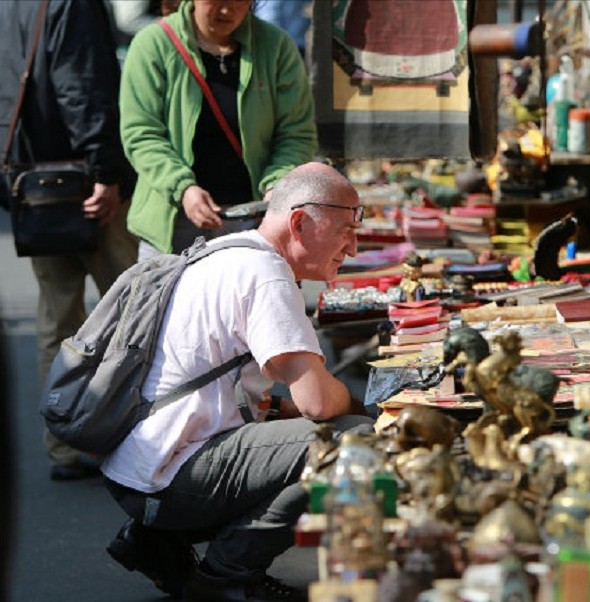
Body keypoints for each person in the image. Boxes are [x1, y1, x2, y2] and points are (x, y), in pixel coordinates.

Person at [103, 162, 372, 602]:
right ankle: (225, 575)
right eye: (346, 229)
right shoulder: (265, 275)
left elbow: (237, 386)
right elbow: (319, 404)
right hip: (166, 478)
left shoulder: (229, 250)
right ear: (300, 222)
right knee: (356, 441)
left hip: (143, 467)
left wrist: (279, 413)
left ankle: (162, 543)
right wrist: (365, 410)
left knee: (322, 434)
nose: (354, 247)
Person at [0, 0, 139, 481]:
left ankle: (61, 444)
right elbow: (81, 85)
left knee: (55, 319)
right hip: (82, 180)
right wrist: (104, 168)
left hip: (33, 180)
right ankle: (131, 433)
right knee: (131, 311)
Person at [119, 0, 317, 259]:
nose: (227, 10)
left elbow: (296, 132)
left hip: (254, 222)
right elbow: (141, 133)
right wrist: (183, 189)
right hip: (172, 225)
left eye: (239, 1)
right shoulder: (153, 44)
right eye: (216, 0)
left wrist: (277, 185)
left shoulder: (275, 46)